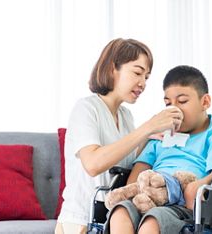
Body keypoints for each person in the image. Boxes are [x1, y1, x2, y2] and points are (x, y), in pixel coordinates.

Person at [55, 38, 184, 234]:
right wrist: (146, 128)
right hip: (81, 221)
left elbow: (125, 164)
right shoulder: (86, 108)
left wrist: (150, 136)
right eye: (137, 72)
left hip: (109, 218)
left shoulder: (125, 116)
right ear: (112, 69)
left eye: (147, 77)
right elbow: (93, 164)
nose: (142, 83)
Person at [105, 65, 212, 234]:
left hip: (182, 206)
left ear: (205, 102)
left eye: (182, 101)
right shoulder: (161, 134)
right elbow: (136, 175)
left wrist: (194, 188)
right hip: (146, 197)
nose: (174, 109)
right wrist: (137, 190)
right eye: (168, 103)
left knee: (152, 221)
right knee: (120, 212)